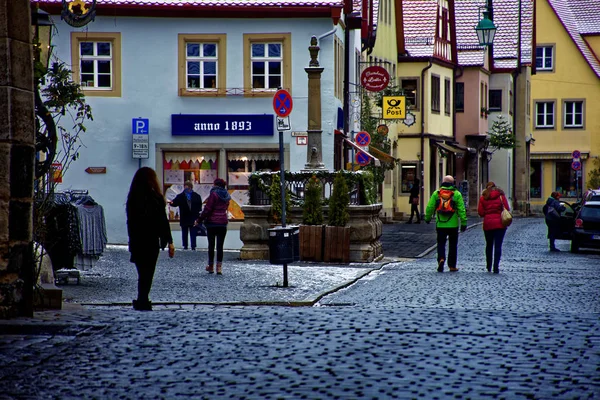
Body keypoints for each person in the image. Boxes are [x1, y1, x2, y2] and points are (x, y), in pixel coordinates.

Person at [126, 167, 174, 311]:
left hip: (137, 240)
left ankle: (142, 299)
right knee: (148, 272)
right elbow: (162, 221)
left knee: (142, 272)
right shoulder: (156, 198)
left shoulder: (133, 198)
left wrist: (131, 239)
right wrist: (169, 241)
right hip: (151, 240)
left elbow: (131, 222)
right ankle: (143, 299)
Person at [424, 175, 467, 272]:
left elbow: (430, 207)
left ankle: (441, 259)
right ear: (453, 183)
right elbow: (461, 209)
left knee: (441, 243)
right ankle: (452, 265)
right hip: (453, 224)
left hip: (440, 224)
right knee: (453, 245)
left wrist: (427, 218)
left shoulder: (437, 193)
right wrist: (463, 222)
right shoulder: (456, 194)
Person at [196, 178, 231, 274]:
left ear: (216, 185)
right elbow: (226, 207)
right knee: (220, 246)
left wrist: (199, 220)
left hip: (212, 223)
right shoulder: (227, 195)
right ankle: (219, 267)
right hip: (223, 222)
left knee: (211, 245)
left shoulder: (214, 194)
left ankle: (211, 266)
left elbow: (208, 209)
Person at [477, 182, 510, 273]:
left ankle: (488, 265)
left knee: (489, 245)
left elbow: (481, 212)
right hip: (500, 224)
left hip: (488, 224)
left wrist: (487, 214)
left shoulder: (483, 198)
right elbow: (507, 208)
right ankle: (496, 266)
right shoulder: (501, 197)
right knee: (498, 245)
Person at [169, 181, 203, 250]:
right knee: (188, 232)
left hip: (189, 217)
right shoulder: (183, 196)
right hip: (188, 217)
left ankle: (189, 246)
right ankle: (188, 246)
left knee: (190, 232)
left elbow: (199, 206)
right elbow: (174, 203)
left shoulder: (192, 196)